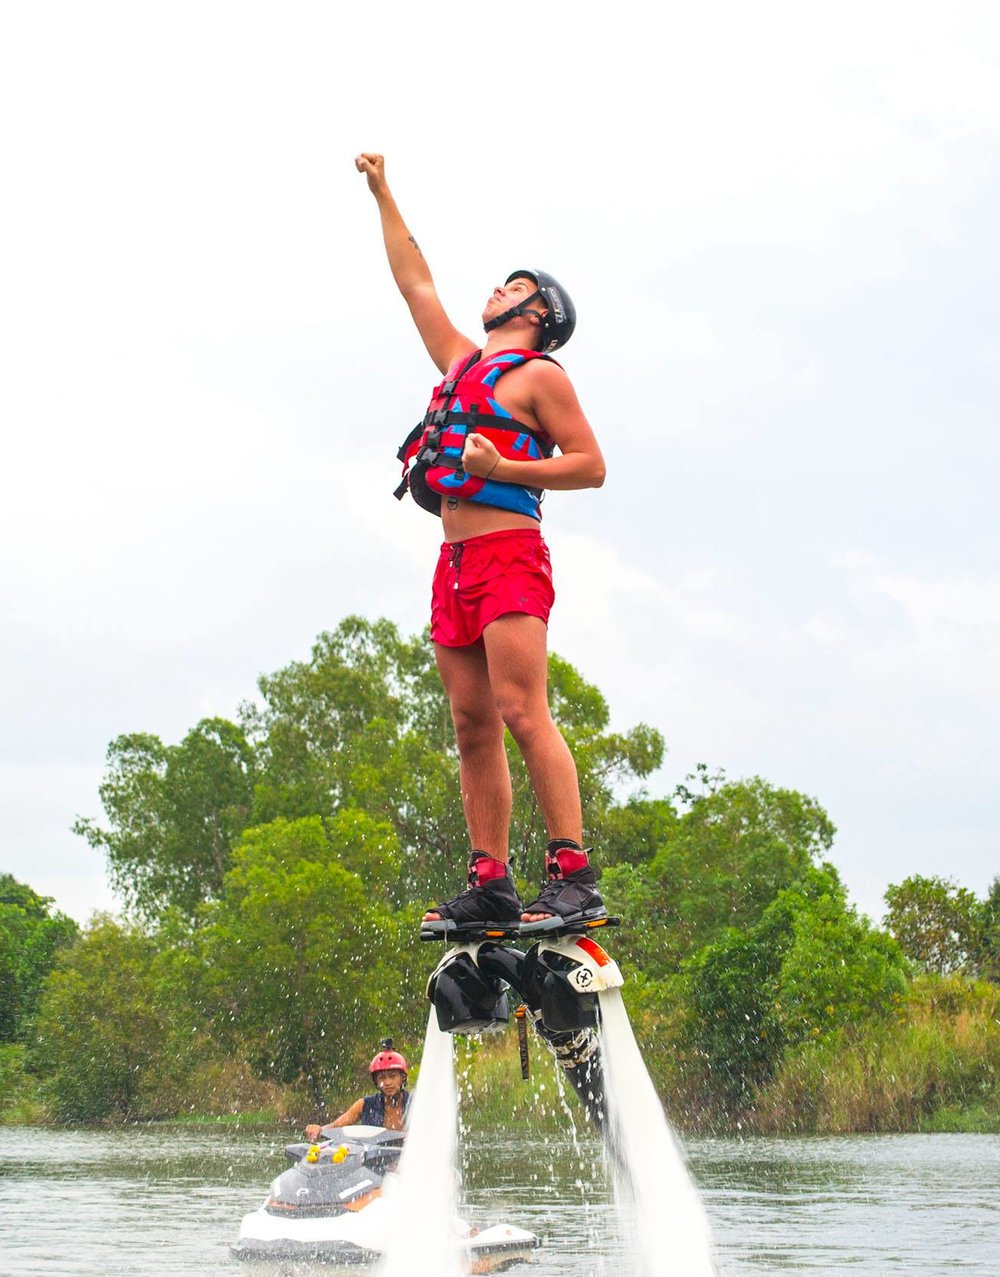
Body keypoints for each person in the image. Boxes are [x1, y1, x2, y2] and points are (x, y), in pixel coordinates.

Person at [356, 152, 608, 937]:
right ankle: (491, 881)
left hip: (508, 553)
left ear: (538, 310)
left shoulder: (541, 377)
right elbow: (415, 283)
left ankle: (571, 872)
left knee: (521, 710)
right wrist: (383, 192)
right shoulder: (465, 361)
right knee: (471, 724)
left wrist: (505, 464)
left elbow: (591, 466)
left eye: (514, 283)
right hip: (454, 563)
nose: (498, 287)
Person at [304, 1046, 410, 1139]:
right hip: (373, 1159)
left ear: (403, 1078)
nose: (387, 1082)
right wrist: (318, 1129)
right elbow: (335, 1126)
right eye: (382, 1077)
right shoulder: (365, 1104)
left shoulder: (416, 1104)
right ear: (376, 1082)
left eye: (392, 1076)